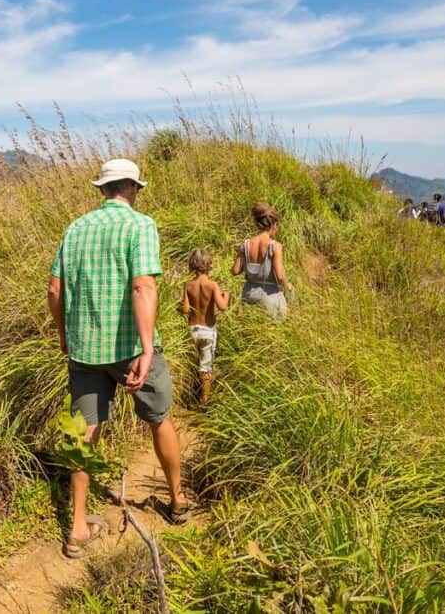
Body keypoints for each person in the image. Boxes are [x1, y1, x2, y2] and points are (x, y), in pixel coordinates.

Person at [47, 158, 189, 559]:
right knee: (160, 419)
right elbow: (143, 286)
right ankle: (176, 500)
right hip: (130, 347)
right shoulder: (140, 225)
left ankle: (76, 527)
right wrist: (146, 349)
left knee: (84, 431)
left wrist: (64, 336)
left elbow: (55, 291)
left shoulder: (75, 229)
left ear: (102, 190)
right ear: (133, 189)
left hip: (84, 349)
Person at [180, 248, 229, 405]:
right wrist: (225, 296)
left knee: (193, 360)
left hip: (193, 329)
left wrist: (178, 308)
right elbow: (222, 307)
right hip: (208, 330)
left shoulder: (188, 285)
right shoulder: (212, 285)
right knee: (206, 365)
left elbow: (186, 309)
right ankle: (204, 399)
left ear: (192, 266)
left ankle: (189, 392)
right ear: (209, 265)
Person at [232, 202, 293, 321]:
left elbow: (235, 271)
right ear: (273, 224)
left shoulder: (246, 244)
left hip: (249, 296)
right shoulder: (275, 246)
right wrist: (287, 286)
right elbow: (280, 277)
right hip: (269, 298)